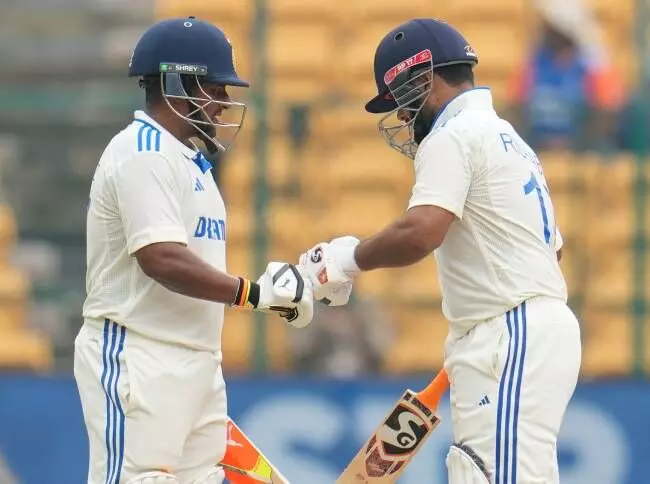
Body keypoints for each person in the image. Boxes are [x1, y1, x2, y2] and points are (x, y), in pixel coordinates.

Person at [300, 18, 581, 484]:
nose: (405, 119)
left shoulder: (453, 134)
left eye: (403, 102)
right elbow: (553, 256)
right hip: (517, 330)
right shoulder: (509, 138)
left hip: (510, 334)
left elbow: (421, 232)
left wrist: (345, 260)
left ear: (423, 79)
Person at [74, 17, 314, 484]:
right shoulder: (142, 152)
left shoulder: (192, 163)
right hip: (139, 355)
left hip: (198, 360)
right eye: (214, 88)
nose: (224, 102)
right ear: (176, 83)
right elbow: (160, 258)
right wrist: (255, 294)